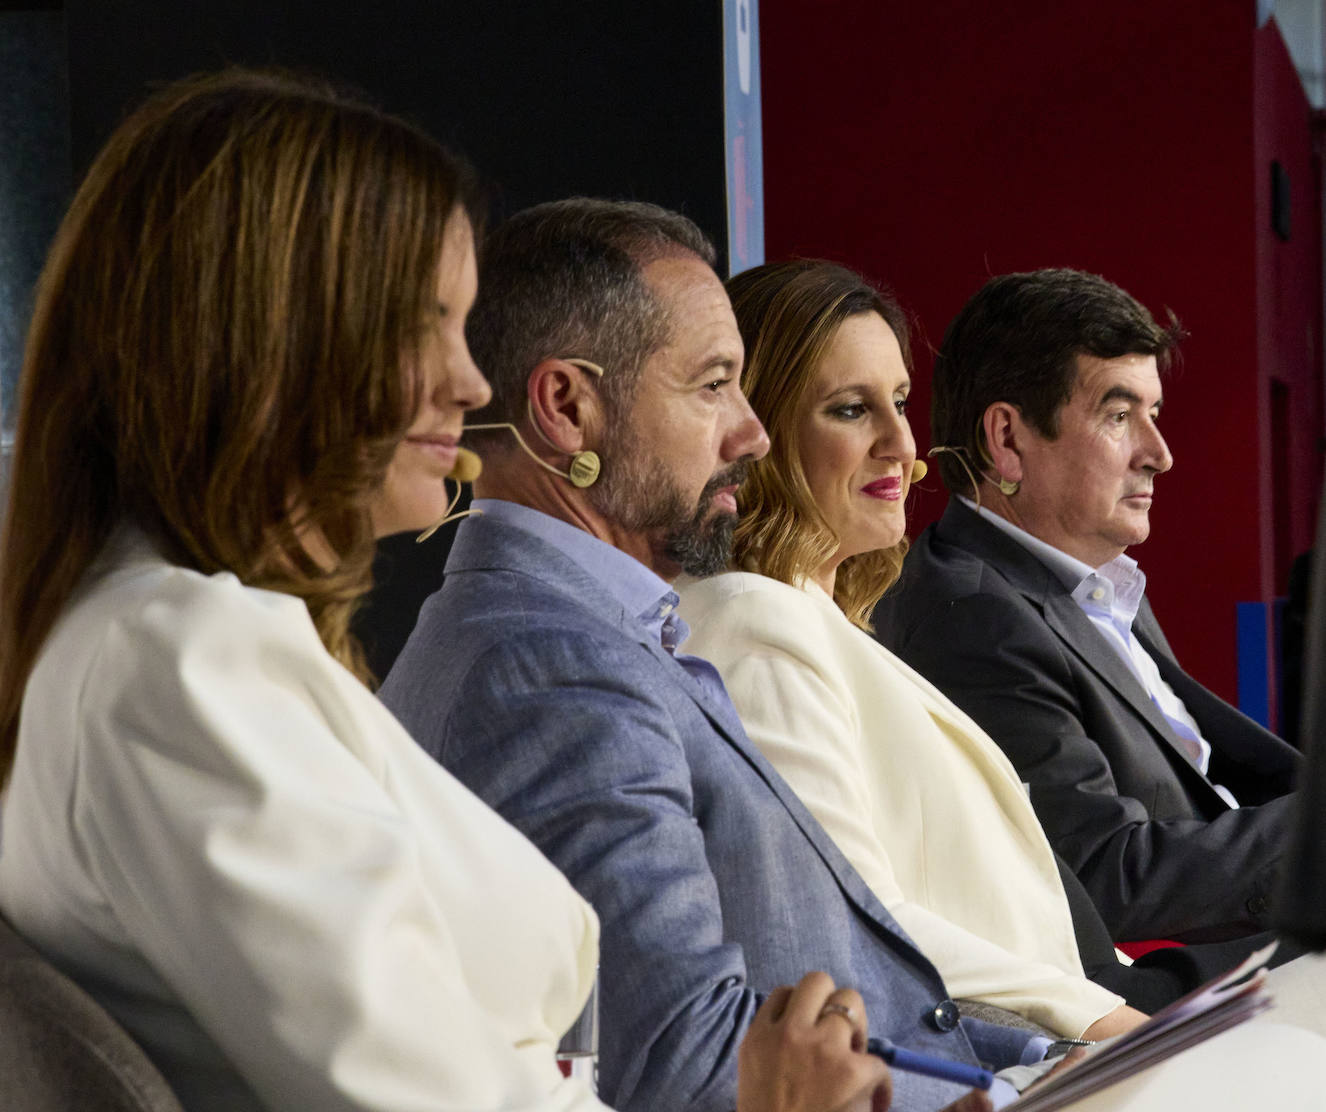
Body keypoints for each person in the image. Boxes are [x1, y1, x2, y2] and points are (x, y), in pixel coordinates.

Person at [0, 72, 892, 1112]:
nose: (472, 382)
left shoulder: (193, 645)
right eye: (428, 324)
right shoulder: (175, 660)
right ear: (279, 334)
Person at [381, 199, 1061, 1112]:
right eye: (712, 386)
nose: (753, 434)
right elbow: (696, 1077)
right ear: (566, 408)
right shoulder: (552, 670)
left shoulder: (593, 637)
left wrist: (1045, 1060)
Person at [677, 259, 1157, 1029]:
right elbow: (851, 917)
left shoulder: (821, 623)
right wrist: (1103, 1020)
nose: (902, 443)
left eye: (899, 402)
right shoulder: (751, 623)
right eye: (849, 410)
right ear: (758, 430)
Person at [871, 268, 1301, 947]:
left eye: (1152, 416)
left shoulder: (1095, 580)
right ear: (1007, 441)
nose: (1159, 455)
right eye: (1119, 415)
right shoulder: (973, 616)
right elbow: (1104, 879)